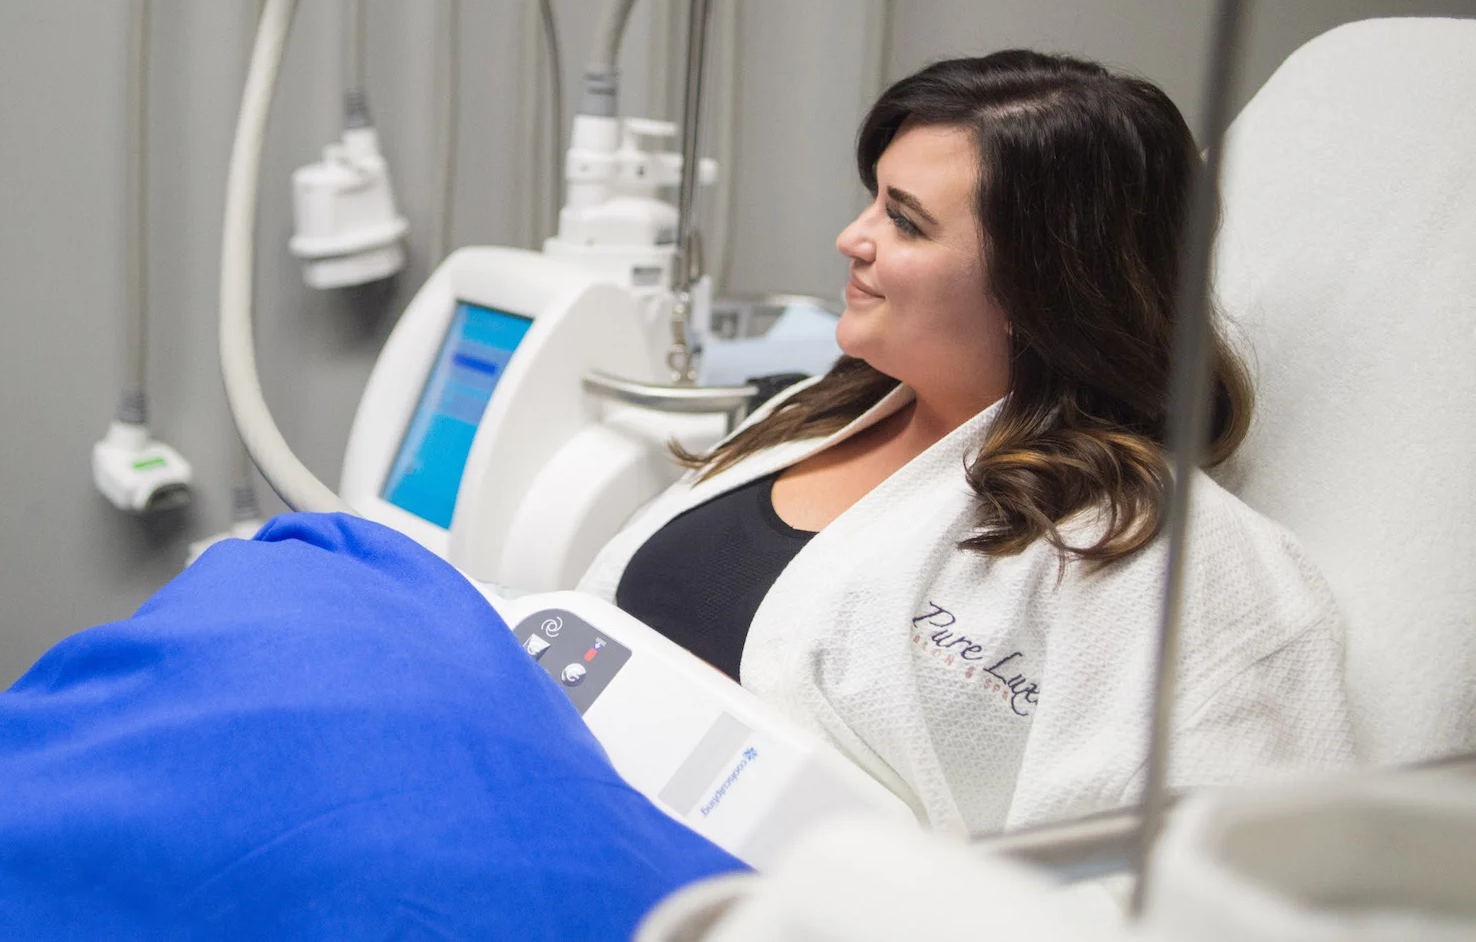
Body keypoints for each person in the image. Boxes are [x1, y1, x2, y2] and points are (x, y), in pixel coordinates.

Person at [580, 51, 1356, 834]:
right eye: (873, 200)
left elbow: (1191, 880)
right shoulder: (817, 410)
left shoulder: (1158, 559)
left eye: (905, 220)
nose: (852, 236)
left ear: (1043, 286)